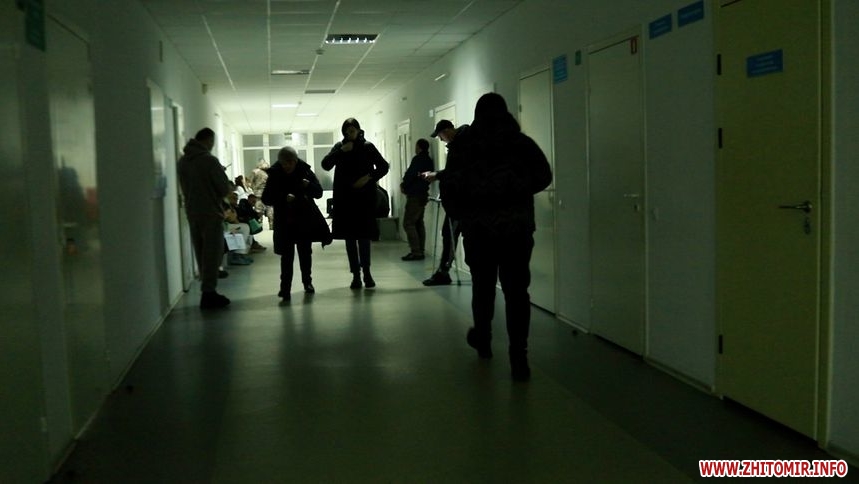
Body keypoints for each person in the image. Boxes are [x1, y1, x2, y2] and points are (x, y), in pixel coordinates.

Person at [438, 93, 552, 381]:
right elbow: (544, 176)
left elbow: (450, 185)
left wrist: (462, 213)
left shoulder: (464, 146)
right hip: (516, 229)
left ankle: (484, 339)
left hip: (479, 229)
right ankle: (519, 356)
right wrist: (516, 191)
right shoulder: (520, 143)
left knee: (483, 287)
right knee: (517, 292)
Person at [321, 118, 390, 289]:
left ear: (358, 130)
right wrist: (340, 151)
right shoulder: (340, 147)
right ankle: (355, 275)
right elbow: (326, 164)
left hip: (364, 199)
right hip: (345, 200)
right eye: (346, 131)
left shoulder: (367, 147)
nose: (349, 134)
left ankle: (367, 272)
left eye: (352, 131)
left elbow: (383, 166)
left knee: (364, 237)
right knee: (350, 238)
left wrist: (368, 178)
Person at [262, 146, 332, 301]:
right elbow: (266, 198)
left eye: (289, 163)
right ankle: (285, 288)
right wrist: (283, 198)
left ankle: (307, 282)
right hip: (285, 221)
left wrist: (308, 185)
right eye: (283, 163)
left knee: (305, 253)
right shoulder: (275, 174)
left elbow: (319, 193)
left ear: (295, 161)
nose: (286, 166)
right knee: (286, 256)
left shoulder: (305, 171)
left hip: (303, 219)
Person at [177, 127, 234, 309]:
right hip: (210, 212)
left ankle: (206, 289)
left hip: (192, 212)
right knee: (212, 253)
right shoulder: (209, 160)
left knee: (201, 252)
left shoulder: (183, 161)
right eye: (212, 143)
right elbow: (223, 188)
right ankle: (209, 293)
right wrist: (220, 173)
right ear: (208, 141)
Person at [422, 119, 467, 285]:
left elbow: (456, 172)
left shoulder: (461, 146)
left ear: (447, 131)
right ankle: (443, 271)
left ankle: (443, 272)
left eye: (440, 136)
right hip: (455, 203)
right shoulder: (457, 145)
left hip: (460, 204)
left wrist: (436, 175)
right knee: (449, 235)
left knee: (450, 236)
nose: (441, 140)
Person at [400, 138, 434, 260]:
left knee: (408, 223)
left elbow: (410, 174)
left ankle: (416, 251)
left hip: (415, 195)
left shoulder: (418, 159)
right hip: (423, 194)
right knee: (419, 223)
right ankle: (420, 250)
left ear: (418, 147)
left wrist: (404, 185)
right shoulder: (428, 160)